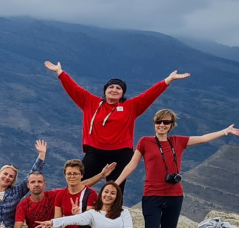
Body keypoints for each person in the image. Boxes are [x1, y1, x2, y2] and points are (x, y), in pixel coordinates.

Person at [115, 109, 239, 228]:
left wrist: (225, 131)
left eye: (166, 122)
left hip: (175, 196)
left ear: (171, 125)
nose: (162, 125)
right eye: (159, 122)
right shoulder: (145, 142)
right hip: (152, 194)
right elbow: (132, 165)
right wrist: (116, 183)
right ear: (154, 123)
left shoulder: (178, 141)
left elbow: (204, 138)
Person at [44, 61, 189, 176]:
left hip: (121, 153)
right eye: (111, 87)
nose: (114, 90)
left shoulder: (131, 107)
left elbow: (149, 95)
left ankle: (113, 213)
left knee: (115, 186)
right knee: (81, 182)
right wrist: (60, 73)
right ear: (105, 91)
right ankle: (79, 212)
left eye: (118, 88)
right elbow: (73, 88)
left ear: (122, 93)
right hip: (95, 151)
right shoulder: (90, 102)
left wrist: (167, 80)